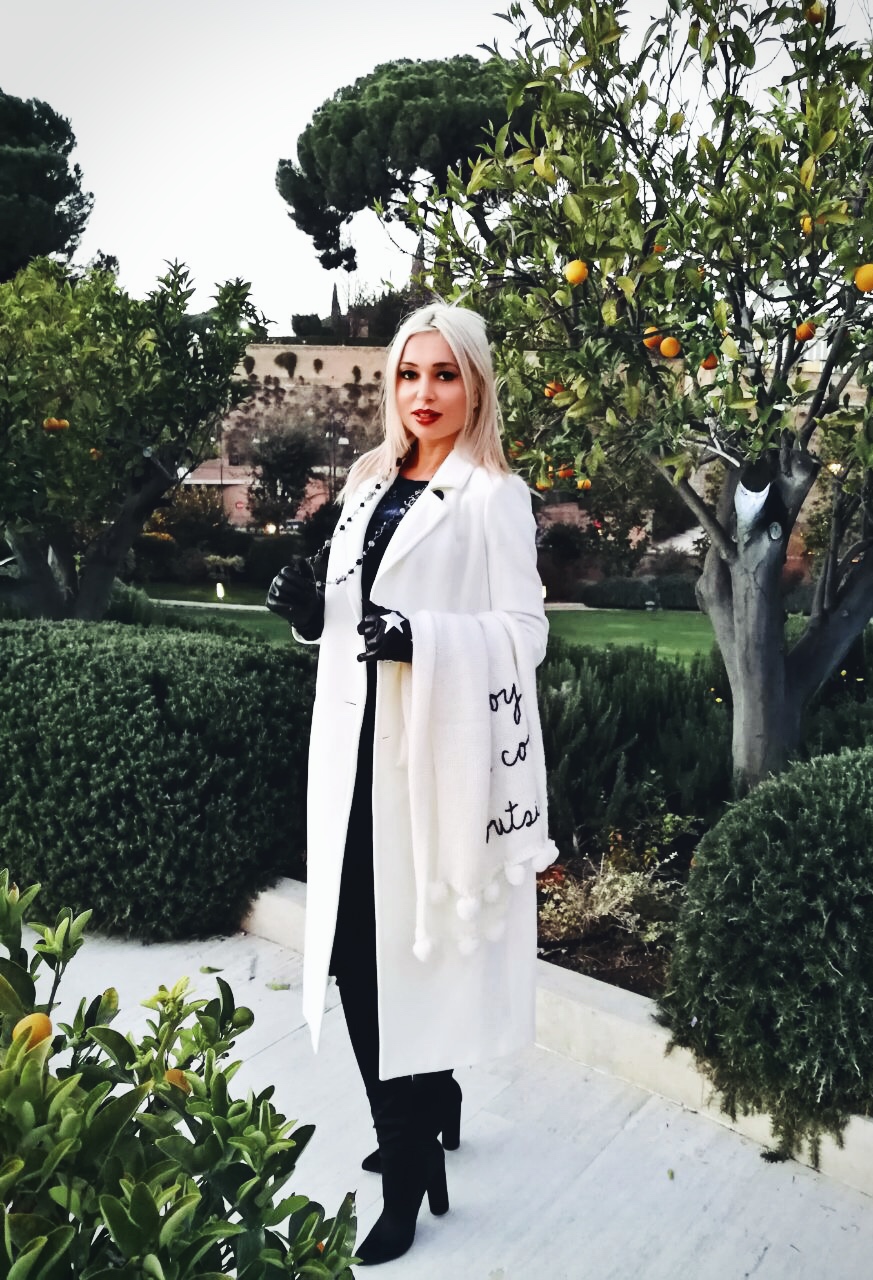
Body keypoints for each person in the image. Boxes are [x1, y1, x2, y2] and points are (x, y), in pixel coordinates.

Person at [266, 302, 557, 1267]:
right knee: (356, 953)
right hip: (349, 754)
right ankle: (427, 1112)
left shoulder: (493, 496)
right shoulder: (368, 482)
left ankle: (407, 1162)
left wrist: (420, 638)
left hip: (429, 765)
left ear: (475, 384)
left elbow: (525, 634)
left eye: (443, 374)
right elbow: (346, 614)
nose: (422, 394)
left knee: (406, 954)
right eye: (407, 374)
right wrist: (309, 611)